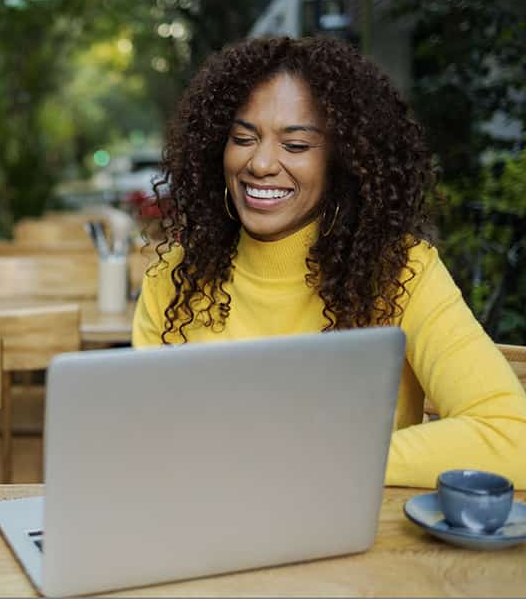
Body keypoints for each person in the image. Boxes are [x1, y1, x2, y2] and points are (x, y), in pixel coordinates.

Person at [133, 36, 526, 489]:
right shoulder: (175, 276)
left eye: (296, 146)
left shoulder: (399, 271)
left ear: (342, 161)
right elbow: (150, 446)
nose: (260, 163)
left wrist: (309, 460)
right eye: (243, 138)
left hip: (356, 547)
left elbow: (510, 435)